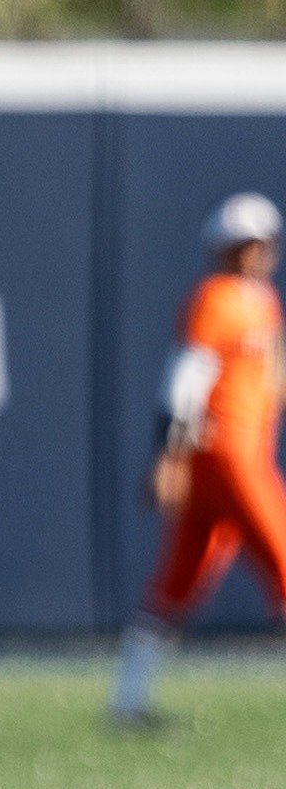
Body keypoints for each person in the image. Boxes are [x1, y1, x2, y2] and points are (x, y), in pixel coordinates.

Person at [109, 191, 286, 728]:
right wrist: (169, 453)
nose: (252, 255)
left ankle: (128, 702)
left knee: (181, 579)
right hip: (223, 453)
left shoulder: (262, 302)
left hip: (239, 450)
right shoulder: (218, 298)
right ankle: (127, 701)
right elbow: (187, 375)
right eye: (241, 246)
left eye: (259, 245)